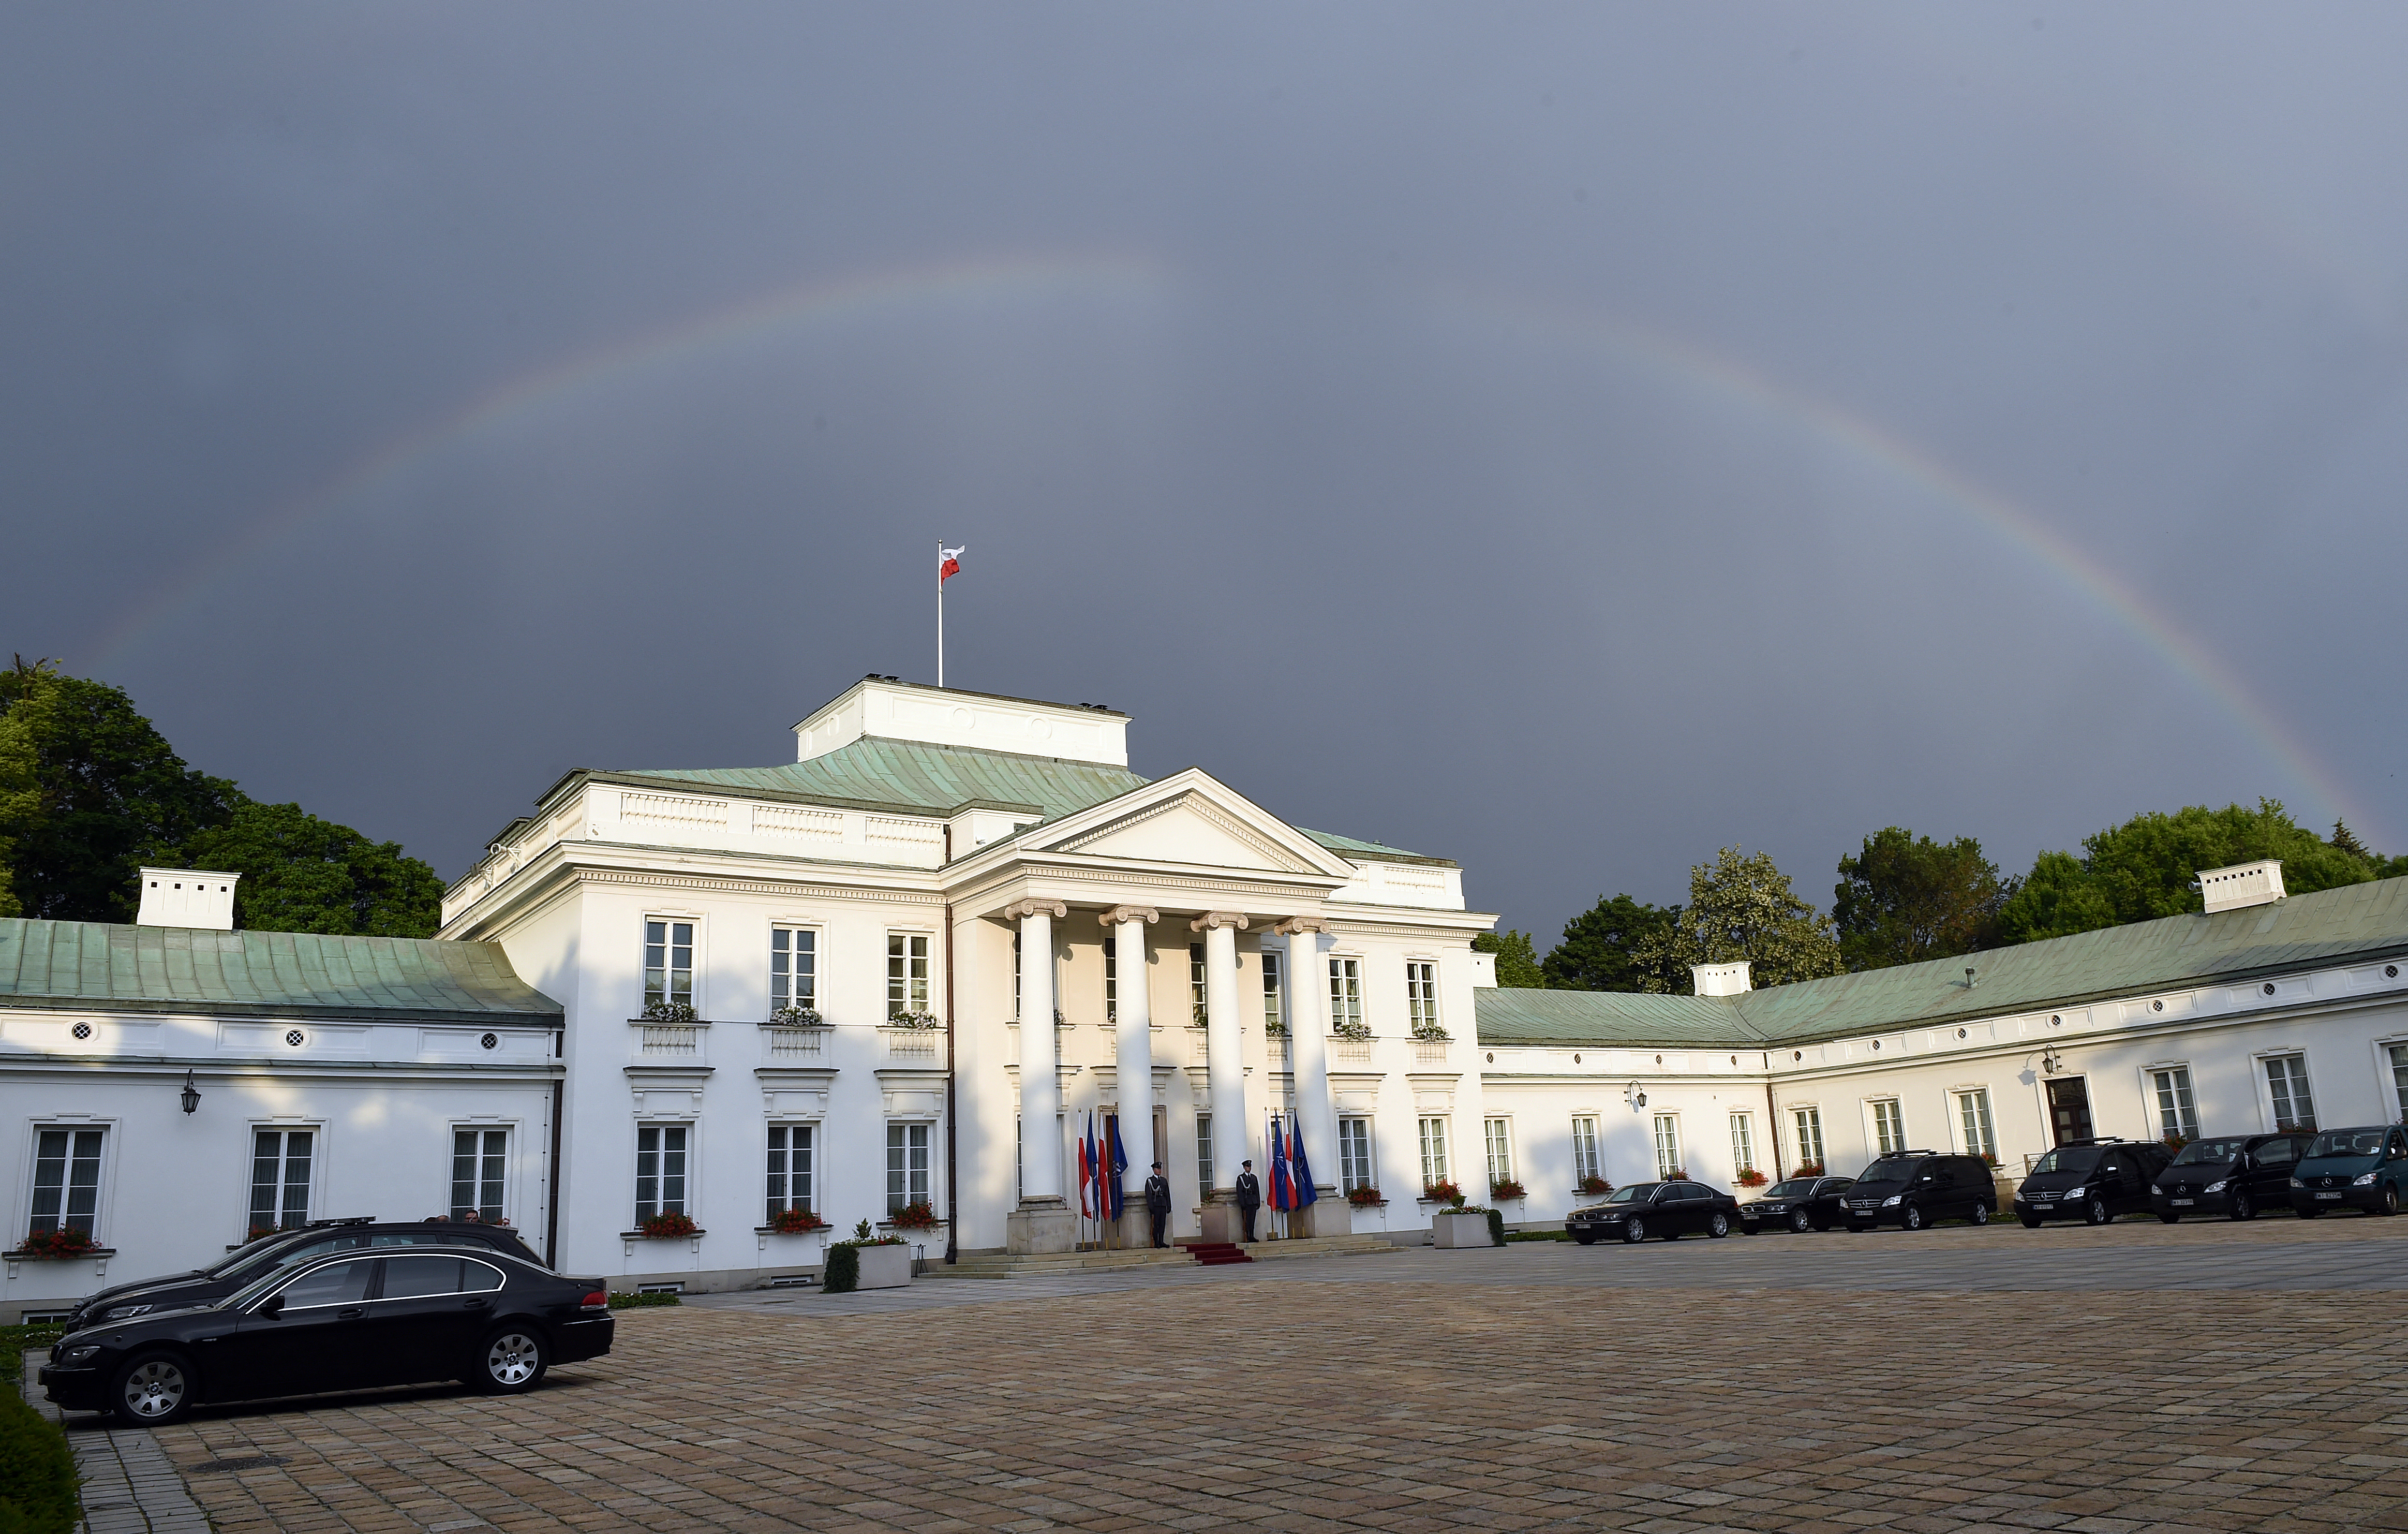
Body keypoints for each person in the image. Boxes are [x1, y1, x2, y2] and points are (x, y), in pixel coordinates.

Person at [1143, 1161, 1173, 1248]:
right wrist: (1151, 1207)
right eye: (1157, 1169)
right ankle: (1156, 1242)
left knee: (1162, 1224)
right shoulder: (1150, 1181)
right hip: (1155, 1205)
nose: (1159, 1170)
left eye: (1160, 1169)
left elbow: (1167, 1193)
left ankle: (1161, 1241)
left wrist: (1169, 1205)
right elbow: (1149, 1195)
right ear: (1154, 1170)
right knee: (1156, 1224)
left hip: (1163, 1204)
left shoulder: (1164, 1180)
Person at [1236, 1159, 1262, 1242]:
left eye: (1250, 1166)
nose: (1249, 1168)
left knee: (1252, 1220)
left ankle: (1252, 1235)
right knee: (1247, 1220)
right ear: (1244, 1167)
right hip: (1246, 1202)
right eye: (1247, 1166)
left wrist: (1258, 1202)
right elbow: (1240, 1192)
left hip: (1253, 1201)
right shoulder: (1241, 1178)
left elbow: (1257, 1190)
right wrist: (1242, 1203)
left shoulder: (1254, 1178)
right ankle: (1247, 1236)